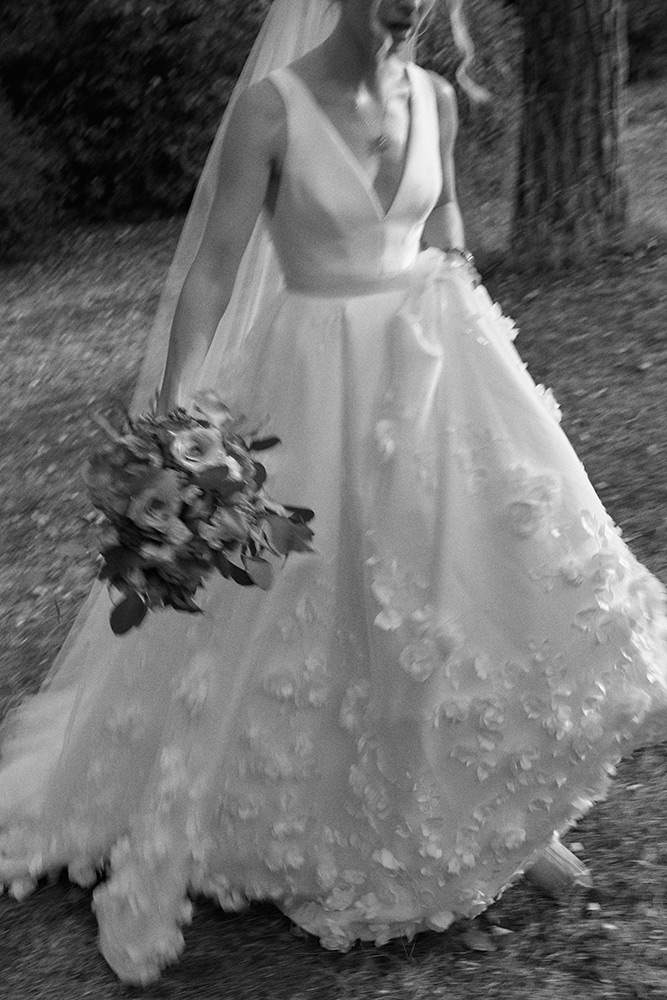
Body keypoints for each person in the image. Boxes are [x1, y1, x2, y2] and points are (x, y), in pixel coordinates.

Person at [2, 0, 667, 986]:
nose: (407, 4)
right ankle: (336, 813)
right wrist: (181, 416)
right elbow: (211, 273)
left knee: (458, 584)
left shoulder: (437, 99)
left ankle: (495, 815)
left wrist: (481, 362)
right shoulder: (271, 110)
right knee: (328, 599)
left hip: (434, 375)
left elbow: (446, 239)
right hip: (312, 384)